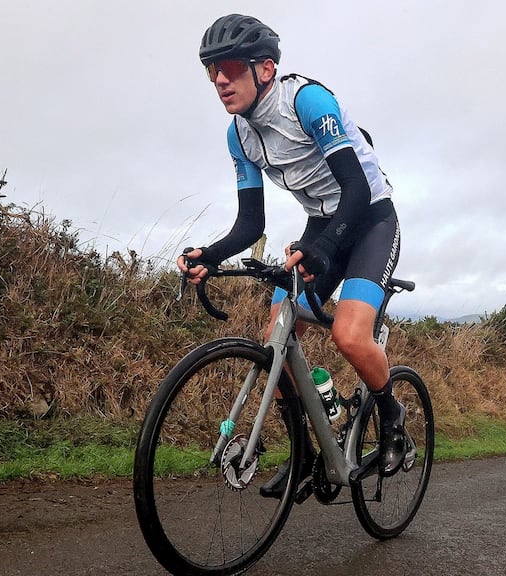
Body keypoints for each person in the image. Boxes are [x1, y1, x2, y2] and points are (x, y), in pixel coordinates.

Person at [178, 14, 405, 497]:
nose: (219, 80)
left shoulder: (307, 101)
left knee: (348, 334)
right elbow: (251, 224)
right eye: (210, 70)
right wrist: (211, 254)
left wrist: (323, 249)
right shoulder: (238, 134)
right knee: (277, 335)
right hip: (322, 225)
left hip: (369, 219)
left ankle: (391, 413)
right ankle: (305, 452)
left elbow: (357, 190)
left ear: (264, 69)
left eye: (230, 66)